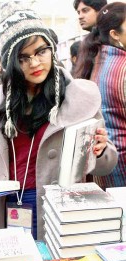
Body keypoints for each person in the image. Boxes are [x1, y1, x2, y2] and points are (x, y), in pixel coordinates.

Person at [0, 1, 118, 240]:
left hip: (61, 205)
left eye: (40, 51)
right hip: (11, 203)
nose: (35, 63)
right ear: (10, 63)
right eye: (23, 58)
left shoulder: (78, 97)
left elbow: (106, 162)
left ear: (51, 49)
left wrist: (99, 151)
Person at [74, 2, 126, 189]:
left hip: (104, 164)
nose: (80, 15)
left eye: (84, 10)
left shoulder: (94, 61)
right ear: (115, 34)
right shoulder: (123, 67)